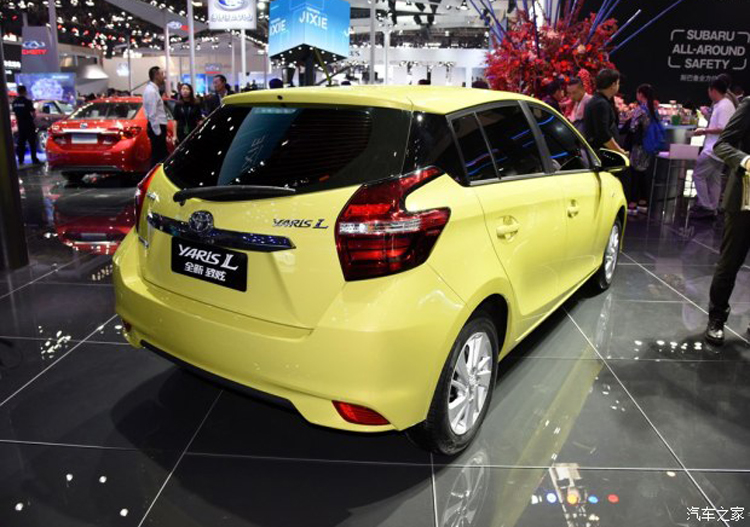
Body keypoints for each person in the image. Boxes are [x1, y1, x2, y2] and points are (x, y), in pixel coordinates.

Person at [704, 95, 750, 345]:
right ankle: (717, 318)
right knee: (730, 261)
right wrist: (745, 160)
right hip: (745, 196)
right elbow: (722, 144)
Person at [692, 78, 736, 219]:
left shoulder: (724, 106)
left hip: (713, 149)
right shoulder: (724, 104)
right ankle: (713, 207)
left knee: (698, 175)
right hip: (720, 149)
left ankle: (706, 206)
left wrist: (704, 131)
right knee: (714, 179)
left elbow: (722, 128)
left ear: (713, 90)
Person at [628, 84, 659, 214]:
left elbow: (633, 127)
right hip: (649, 145)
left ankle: (633, 202)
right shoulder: (654, 110)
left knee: (635, 173)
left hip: (639, 146)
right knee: (643, 173)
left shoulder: (640, 110)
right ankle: (643, 201)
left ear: (640, 94)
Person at [584, 69, 627, 155]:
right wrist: (620, 151)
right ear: (613, 85)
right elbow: (603, 134)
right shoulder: (601, 104)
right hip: (603, 155)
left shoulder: (598, 100)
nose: (618, 86)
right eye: (618, 83)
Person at [143, 65, 169, 167]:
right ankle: (152, 175)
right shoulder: (151, 91)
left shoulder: (153, 90)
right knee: (157, 157)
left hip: (158, 127)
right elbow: (152, 113)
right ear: (156, 75)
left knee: (160, 156)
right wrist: (158, 132)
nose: (164, 77)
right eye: (162, 74)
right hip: (157, 127)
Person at [12, 85, 40, 165]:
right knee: (32, 143)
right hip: (29, 125)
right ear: (24, 91)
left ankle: (20, 160)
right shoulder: (27, 101)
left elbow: (15, 113)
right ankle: (34, 159)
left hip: (21, 125)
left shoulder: (14, 102)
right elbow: (33, 114)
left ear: (18, 92)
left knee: (21, 143)